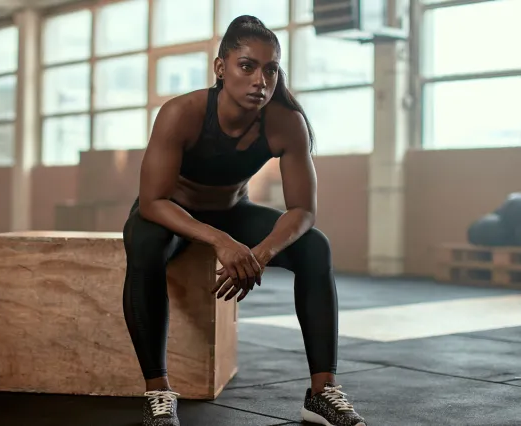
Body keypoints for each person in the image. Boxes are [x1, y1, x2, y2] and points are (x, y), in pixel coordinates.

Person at [122, 15, 367, 426]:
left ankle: (322, 391)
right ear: (221, 68)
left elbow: (302, 210)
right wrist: (220, 240)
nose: (260, 80)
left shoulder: (286, 122)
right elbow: (152, 201)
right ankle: (158, 392)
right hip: (172, 213)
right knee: (144, 245)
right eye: (247, 66)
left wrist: (260, 252)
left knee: (315, 247)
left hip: (233, 209)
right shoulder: (181, 113)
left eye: (271, 69)